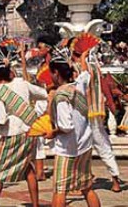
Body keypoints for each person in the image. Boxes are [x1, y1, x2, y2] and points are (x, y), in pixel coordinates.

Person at [0, 46, 48, 207]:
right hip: (29, 131)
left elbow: (1, 119)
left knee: (0, 171)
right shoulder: (22, 83)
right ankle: (35, 204)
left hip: (12, 134)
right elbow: (44, 94)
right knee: (28, 168)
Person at [47, 51, 101, 207]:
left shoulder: (61, 96)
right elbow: (85, 74)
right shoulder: (79, 85)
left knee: (60, 190)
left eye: (51, 72)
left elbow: (66, 126)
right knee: (87, 188)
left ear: (56, 73)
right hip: (85, 145)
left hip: (68, 150)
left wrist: (53, 132)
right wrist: (83, 57)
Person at [71, 48, 122, 193]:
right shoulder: (94, 65)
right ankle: (111, 179)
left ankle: (113, 180)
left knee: (89, 146)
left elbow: (81, 85)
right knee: (100, 146)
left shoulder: (79, 67)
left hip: (86, 113)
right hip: (94, 111)